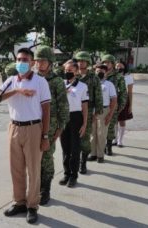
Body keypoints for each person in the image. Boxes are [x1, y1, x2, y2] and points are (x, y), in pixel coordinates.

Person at [0, 48, 51, 224]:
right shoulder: (11, 80)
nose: (21, 62)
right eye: (19, 59)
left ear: (32, 62)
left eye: (25, 59)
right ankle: (19, 202)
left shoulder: (40, 82)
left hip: (33, 128)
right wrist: (17, 91)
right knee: (16, 168)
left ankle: (32, 206)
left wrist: (45, 136)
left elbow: (46, 109)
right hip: (14, 128)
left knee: (34, 169)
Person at [34, 46, 69, 205]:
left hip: (51, 125)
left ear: (50, 63)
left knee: (46, 158)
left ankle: (45, 190)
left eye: (43, 61)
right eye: (37, 60)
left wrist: (60, 128)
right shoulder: (31, 79)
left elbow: (63, 105)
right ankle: (34, 188)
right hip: (32, 124)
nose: (39, 63)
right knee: (33, 158)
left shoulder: (56, 82)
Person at [59, 59, 88, 188]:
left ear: (76, 71)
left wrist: (84, 124)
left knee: (75, 149)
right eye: (66, 70)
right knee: (65, 148)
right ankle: (66, 173)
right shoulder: (60, 84)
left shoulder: (82, 86)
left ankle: (74, 175)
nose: (67, 72)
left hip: (76, 117)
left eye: (70, 70)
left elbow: (85, 106)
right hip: (63, 117)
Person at [74, 51, 103, 174]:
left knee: (85, 138)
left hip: (89, 110)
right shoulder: (72, 75)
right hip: (73, 110)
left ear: (88, 62)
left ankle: (83, 163)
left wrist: (98, 111)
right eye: (79, 61)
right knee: (73, 138)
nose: (81, 63)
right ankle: (73, 163)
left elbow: (98, 94)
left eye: (83, 61)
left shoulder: (93, 77)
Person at [89, 64, 117, 163]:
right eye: (97, 71)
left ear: (106, 73)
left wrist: (110, 115)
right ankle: (93, 154)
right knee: (92, 133)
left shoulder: (109, 84)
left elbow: (114, 100)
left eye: (102, 71)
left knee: (101, 134)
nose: (99, 73)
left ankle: (100, 155)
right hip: (92, 110)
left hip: (104, 110)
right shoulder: (91, 84)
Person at [101, 54, 127, 155]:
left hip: (112, 105)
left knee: (110, 127)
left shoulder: (118, 76)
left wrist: (120, 106)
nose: (106, 64)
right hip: (100, 105)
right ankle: (101, 147)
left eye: (108, 62)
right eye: (104, 62)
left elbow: (123, 92)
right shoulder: (99, 73)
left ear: (112, 64)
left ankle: (109, 146)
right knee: (100, 127)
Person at [116, 62, 134, 147]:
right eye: (117, 66)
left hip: (123, 99)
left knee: (122, 120)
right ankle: (114, 139)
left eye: (120, 66)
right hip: (113, 99)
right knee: (113, 120)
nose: (118, 67)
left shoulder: (128, 77)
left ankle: (120, 140)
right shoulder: (112, 76)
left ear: (124, 67)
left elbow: (130, 92)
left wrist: (130, 105)